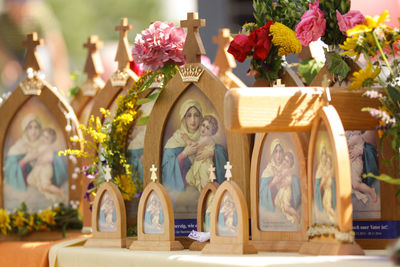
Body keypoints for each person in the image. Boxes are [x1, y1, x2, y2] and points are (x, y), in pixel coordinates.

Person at [0, 0, 70, 94]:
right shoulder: (3, 21)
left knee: (41, 60)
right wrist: (8, 62)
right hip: (15, 56)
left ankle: (42, 87)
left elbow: (55, 42)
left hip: (38, 53)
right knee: (11, 79)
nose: (17, 11)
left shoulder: (39, 16)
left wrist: (60, 72)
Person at [162, 99, 228, 192]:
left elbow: (220, 152)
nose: (193, 120)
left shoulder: (204, 136)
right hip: (184, 191)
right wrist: (183, 154)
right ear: (183, 118)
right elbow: (166, 169)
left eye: (196, 115)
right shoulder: (175, 140)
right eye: (189, 115)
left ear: (201, 117)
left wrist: (211, 153)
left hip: (203, 174)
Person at [4, 114, 67, 196]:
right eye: (30, 127)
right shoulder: (18, 147)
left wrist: (51, 159)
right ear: (25, 130)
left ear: (40, 129)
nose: (33, 131)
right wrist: (25, 160)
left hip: (44, 173)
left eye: (36, 127)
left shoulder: (44, 143)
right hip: (27, 191)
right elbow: (9, 171)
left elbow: (59, 161)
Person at [259, 139, 301, 215]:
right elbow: (262, 194)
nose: (278, 155)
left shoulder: (286, 166)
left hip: (286, 201)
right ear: (272, 153)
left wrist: (290, 182)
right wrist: (272, 183)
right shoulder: (268, 170)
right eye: (276, 151)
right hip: (274, 212)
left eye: (280, 151)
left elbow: (296, 183)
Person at [25, 128, 66, 202]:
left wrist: (31, 151)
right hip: (39, 168)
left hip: (45, 169)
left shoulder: (46, 147)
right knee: (30, 180)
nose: (43, 138)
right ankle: (43, 188)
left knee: (45, 185)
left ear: (51, 142)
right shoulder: (42, 146)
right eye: (43, 136)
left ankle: (60, 191)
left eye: (46, 138)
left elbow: (43, 156)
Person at [185, 115, 218, 192]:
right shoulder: (202, 137)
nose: (204, 129)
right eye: (203, 125)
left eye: (207, 128)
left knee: (205, 184)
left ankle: (210, 199)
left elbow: (195, 145)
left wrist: (186, 139)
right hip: (199, 163)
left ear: (211, 132)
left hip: (204, 164)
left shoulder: (207, 139)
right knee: (192, 179)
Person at [346, 131, 378, 204]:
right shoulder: (352, 136)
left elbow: (344, 143)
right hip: (350, 163)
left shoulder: (356, 137)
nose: (351, 130)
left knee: (355, 184)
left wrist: (361, 151)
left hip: (356, 164)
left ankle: (370, 191)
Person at [273, 152, 301, 224]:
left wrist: (275, 171)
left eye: (287, 161)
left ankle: (296, 214)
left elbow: (280, 177)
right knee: (277, 202)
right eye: (284, 160)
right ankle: (281, 218)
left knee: (286, 208)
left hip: (286, 191)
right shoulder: (284, 169)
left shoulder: (287, 170)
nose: (285, 162)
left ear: (290, 165)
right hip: (282, 190)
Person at [314, 145, 336, 224]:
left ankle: (336, 219)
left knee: (328, 207)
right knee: (325, 206)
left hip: (328, 192)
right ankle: (333, 219)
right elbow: (318, 186)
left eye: (325, 153)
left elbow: (330, 181)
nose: (324, 156)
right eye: (322, 153)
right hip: (325, 192)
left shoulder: (328, 170)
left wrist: (326, 180)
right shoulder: (320, 168)